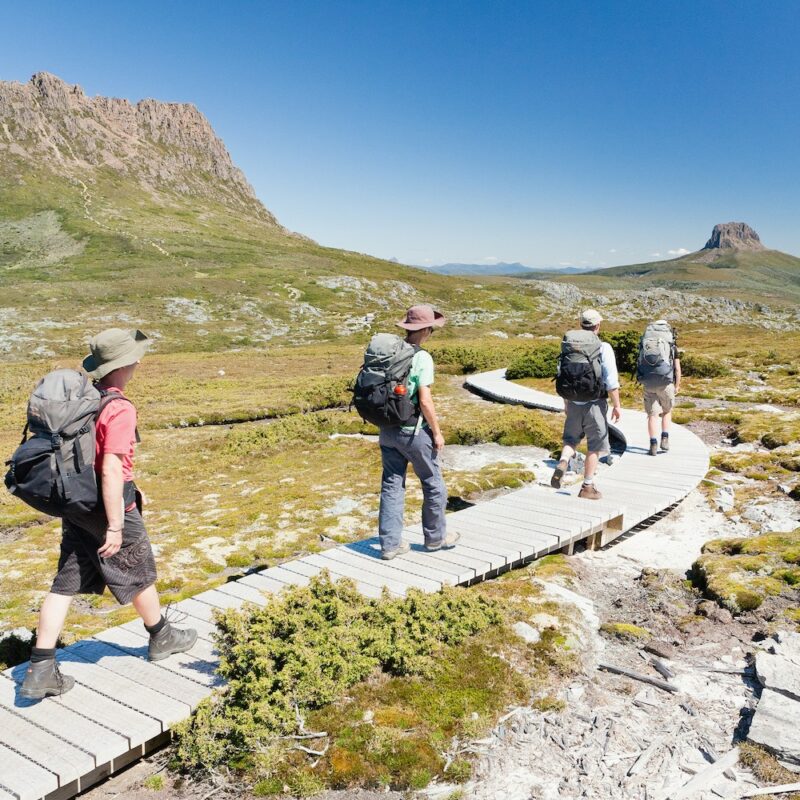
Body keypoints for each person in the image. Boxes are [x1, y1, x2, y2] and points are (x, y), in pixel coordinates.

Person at [20, 329, 197, 699]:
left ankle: (40, 667)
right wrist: (116, 524)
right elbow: (111, 468)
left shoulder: (85, 401)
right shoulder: (118, 407)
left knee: (64, 582)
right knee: (138, 566)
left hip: (77, 504)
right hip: (107, 507)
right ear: (128, 364)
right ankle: (162, 636)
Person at [378, 305, 459, 560]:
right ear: (425, 330)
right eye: (431, 329)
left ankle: (390, 545)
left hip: (386, 430)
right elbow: (425, 401)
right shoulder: (421, 357)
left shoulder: (391, 352)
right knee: (433, 483)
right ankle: (435, 538)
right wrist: (436, 432)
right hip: (412, 431)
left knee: (392, 485)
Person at [551, 309, 621, 500]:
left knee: (571, 439)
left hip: (572, 402)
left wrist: (566, 402)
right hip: (594, 403)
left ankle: (563, 461)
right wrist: (617, 405)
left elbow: (562, 374)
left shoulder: (568, 345)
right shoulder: (603, 347)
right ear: (597, 325)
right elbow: (611, 381)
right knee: (594, 446)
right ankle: (587, 487)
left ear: (581, 324)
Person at [639, 320, 681, 456]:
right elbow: (677, 368)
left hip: (648, 382)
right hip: (665, 382)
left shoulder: (646, 342)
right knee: (667, 411)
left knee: (652, 415)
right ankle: (665, 439)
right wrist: (677, 385)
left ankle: (653, 444)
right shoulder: (671, 345)